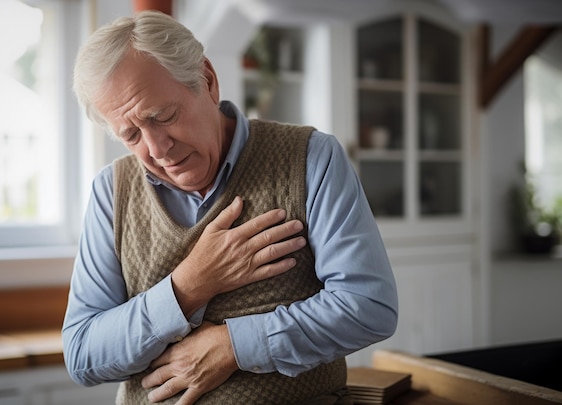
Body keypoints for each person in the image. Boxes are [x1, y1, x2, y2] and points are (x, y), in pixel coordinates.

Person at [62, 9, 398, 405]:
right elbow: (83, 355)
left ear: (207, 80)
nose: (157, 149)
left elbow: (368, 306)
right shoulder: (111, 192)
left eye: (163, 116)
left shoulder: (310, 158)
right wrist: (187, 287)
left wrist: (234, 345)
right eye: (132, 134)